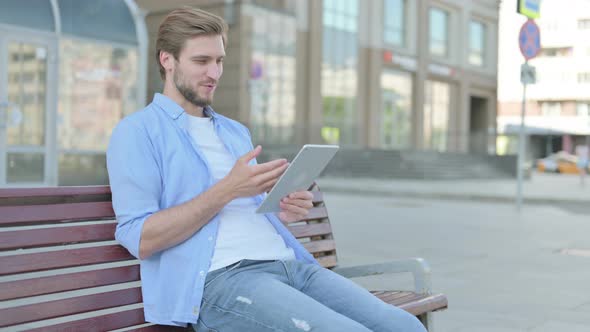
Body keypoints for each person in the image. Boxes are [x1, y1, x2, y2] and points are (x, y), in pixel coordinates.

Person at [107, 7, 426, 332]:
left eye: (219, 61)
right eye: (201, 61)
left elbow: (246, 204)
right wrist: (227, 190)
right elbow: (139, 238)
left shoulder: (234, 132)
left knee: (406, 326)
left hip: (293, 267)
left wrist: (281, 208)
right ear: (167, 60)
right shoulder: (137, 132)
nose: (214, 73)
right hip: (224, 281)